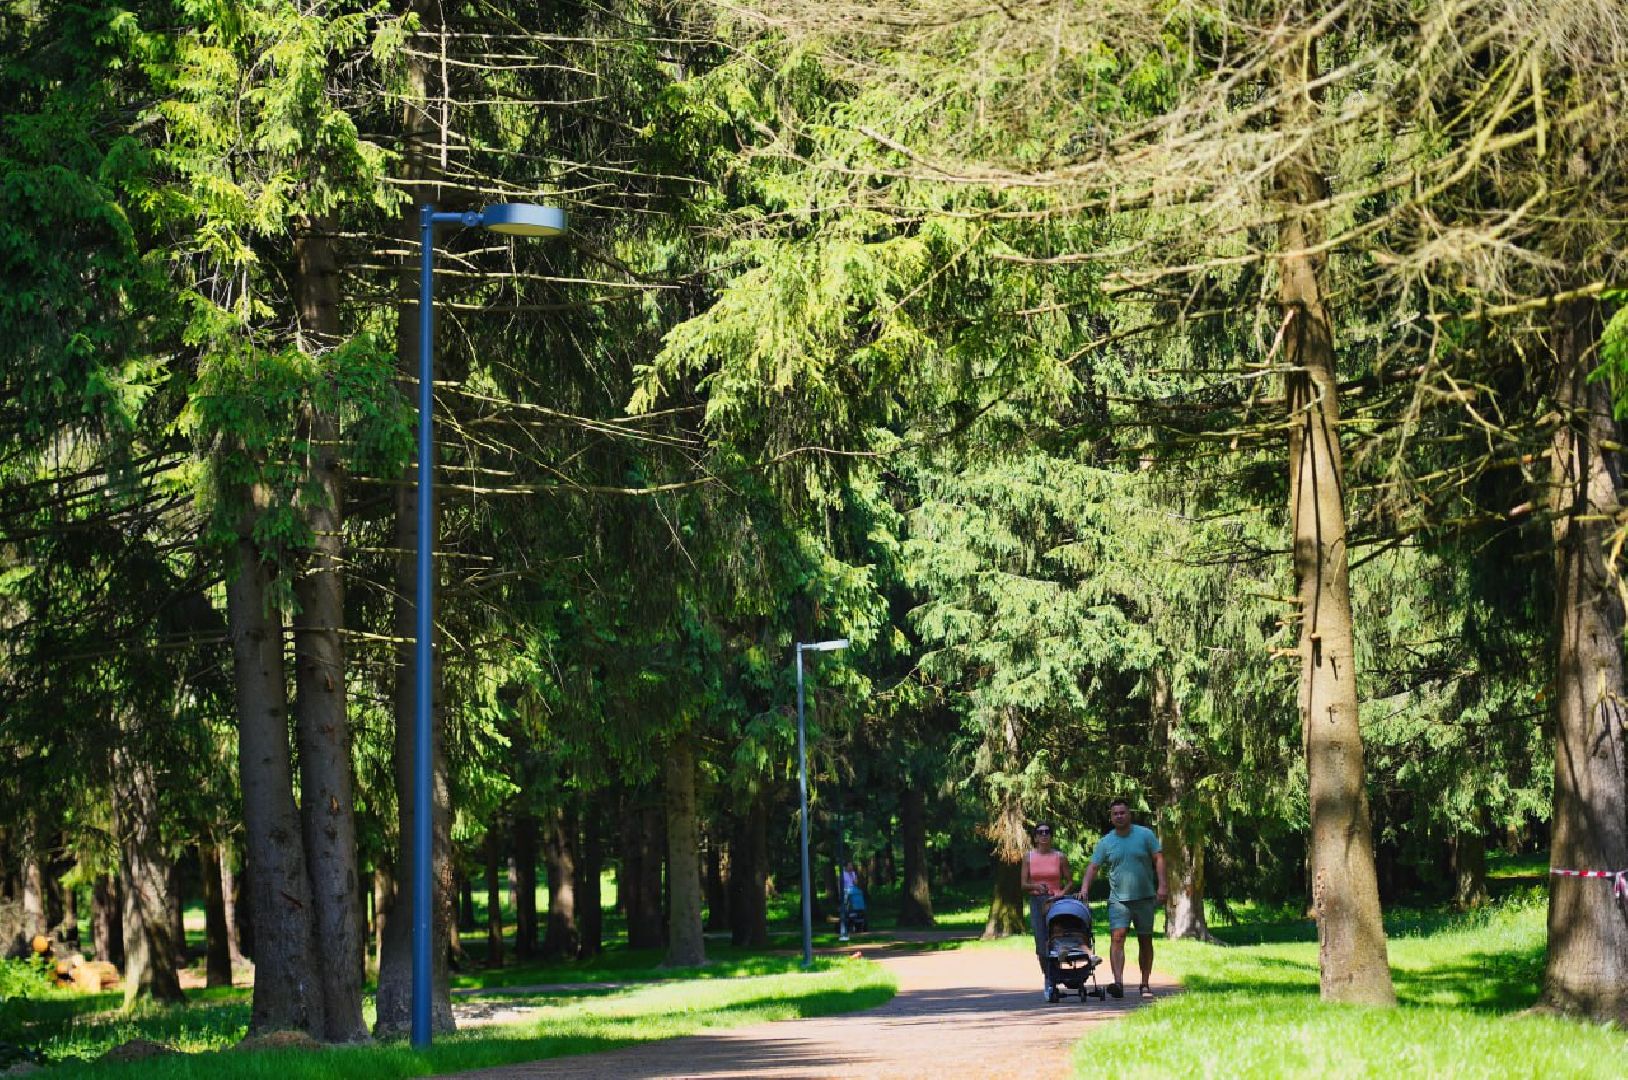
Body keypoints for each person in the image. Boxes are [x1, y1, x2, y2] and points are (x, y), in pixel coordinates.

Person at [1079, 798, 1166, 1001]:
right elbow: (1093, 867)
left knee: (1145, 941)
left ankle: (1145, 983)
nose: (1119, 816)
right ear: (1111, 817)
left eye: (1122, 812)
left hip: (1145, 897)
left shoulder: (1145, 835)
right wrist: (1084, 889)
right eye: (1115, 814)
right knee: (1117, 938)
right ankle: (1118, 983)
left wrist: (1163, 885)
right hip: (1118, 900)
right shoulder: (1106, 842)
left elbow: (1159, 858)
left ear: (1129, 814)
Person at [1020, 822, 1072, 1000]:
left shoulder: (1060, 857)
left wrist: (1061, 895)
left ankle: (1060, 973)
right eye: (1040, 832)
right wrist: (1035, 886)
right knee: (1041, 942)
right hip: (1037, 900)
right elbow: (1023, 884)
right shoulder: (1028, 857)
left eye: (1047, 832)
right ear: (1035, 837)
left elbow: (1070, 882)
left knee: (1057, 937)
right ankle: (1048, 977)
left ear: (1051, 836)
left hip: (1056, 901)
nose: (1044, 835)